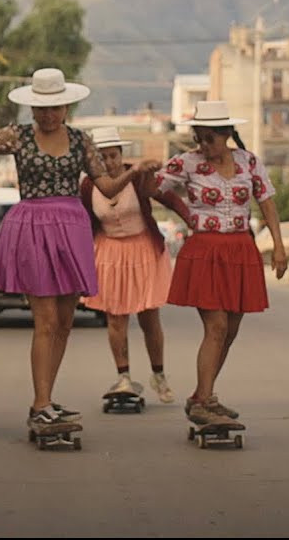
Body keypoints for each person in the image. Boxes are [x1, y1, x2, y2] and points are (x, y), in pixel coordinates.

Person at [0, 68, 160, 432]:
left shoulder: (82, 140)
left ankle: (46, 400)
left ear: (66, 106)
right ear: (32, 108)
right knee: (47, 320)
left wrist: (135, 172)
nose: (48, 115)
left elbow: (107, 186)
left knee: (65, 323)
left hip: (71, 228)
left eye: (55, 107)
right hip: (34, 227)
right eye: (41, 108)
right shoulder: (18, 136)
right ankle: (40, 404)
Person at [154, 100, 288, 427]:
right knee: (215, 327)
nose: (203, 145)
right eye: (199, 138)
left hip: (241, 249)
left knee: (230, 330)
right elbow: (154, 188)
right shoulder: (186, 163)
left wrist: (279, 247)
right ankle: (204, 400)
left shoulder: (249, 161)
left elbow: (266, 203)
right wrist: (183, 211)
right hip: (205, 251)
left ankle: (203, 396)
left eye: (209, 138)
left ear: (226, 133)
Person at [78, 126, 190, 404]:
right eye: (102, 158)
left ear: (121, 154)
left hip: (142, 249)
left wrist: (193, 221)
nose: (109, 162)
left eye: (113, 156)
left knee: (149, 316)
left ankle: (159, 374)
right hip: (109, 252)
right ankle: (123, 375)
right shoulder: (89, 185)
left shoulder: (138, 177)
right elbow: (83, 220)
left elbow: (168, 197)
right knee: (115, 318)